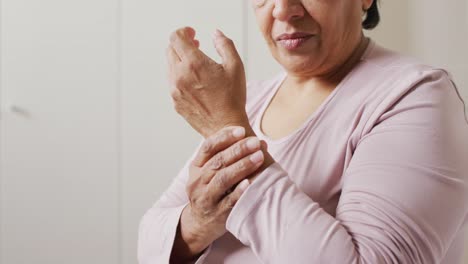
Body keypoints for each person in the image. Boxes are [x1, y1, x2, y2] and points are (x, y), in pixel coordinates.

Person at [138, 0, 468, 263]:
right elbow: (151, 241)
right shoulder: (248, 100)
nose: (283, 9)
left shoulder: (415, 94)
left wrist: (225, 124)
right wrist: (199, 222)